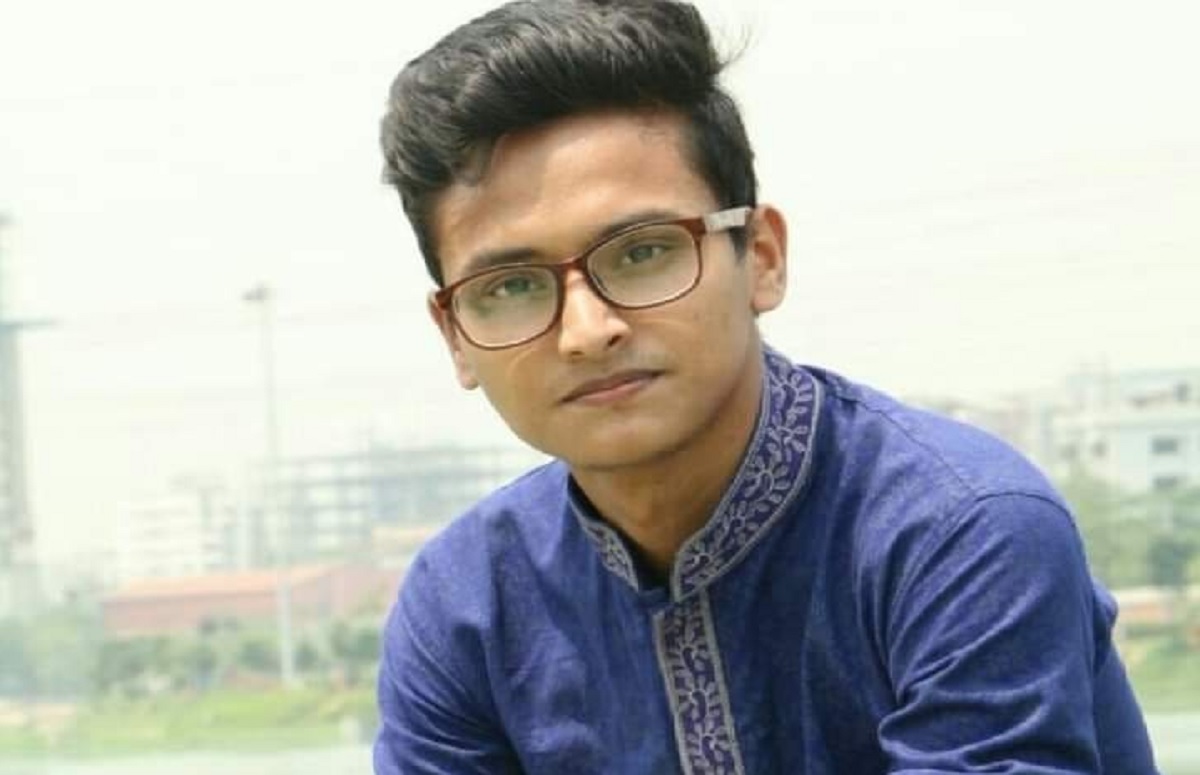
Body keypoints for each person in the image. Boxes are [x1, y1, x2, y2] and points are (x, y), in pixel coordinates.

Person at [372, 1, 1159, 772]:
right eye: (511, 287)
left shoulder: (958, 532)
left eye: (642, 252)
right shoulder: (465, 607)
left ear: (763, 257)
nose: (586, 331)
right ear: (455, 335)